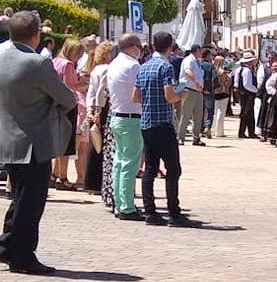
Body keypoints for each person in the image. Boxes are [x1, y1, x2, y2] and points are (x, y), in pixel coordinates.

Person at [0, 11, 77, 275]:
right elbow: (68, 98)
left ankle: (7, 247)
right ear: (36, 34)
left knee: (19, 198)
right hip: (34, 142)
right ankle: (22, 255)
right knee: (31, 202)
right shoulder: (37, 63)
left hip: (9, 138)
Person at [135, 31, 199, 227]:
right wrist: (182, 94)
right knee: (173, 169)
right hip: (162, 123)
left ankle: (150, 211)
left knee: (150, 169)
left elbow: (135, 97)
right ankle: (173, 211)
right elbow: (169, 96)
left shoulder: (143, 67)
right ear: (170, 47)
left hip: (146, 122)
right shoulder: (166, 66)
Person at [105, 34, 145, 219]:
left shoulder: (113, 64)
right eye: (139, 46)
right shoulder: (133, 66)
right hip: (131, 117)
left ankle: (119, 203)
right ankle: (127, 206)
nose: (140, 50)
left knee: (119, 163)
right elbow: (138, 93)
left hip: (117, 116)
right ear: (131, 46)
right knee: (130, 164)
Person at [51, 38, 86, 190]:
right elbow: (69, 86)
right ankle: (63, 177)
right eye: (77, 53)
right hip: (68, 106)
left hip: (54, 105)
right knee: (66, 144)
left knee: (58, 142)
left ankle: (54, 173)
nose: (78, 56)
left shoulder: (54, 61)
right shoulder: (68, 64)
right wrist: (84, 84)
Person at [83, 41, 115, 194]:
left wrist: (90, 110)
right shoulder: (108, 69)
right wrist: (98, 111)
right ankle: (100, 182)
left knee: (93, 144)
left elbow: (91, 92)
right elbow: (102, 91)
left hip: (94, 108)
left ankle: (90, 182)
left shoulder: (95, 69)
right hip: (103, 108)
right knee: (103, 146)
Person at [235, 51, 260, 138]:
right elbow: (247, 84)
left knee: (247, 113)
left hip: (242, 94)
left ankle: (248, 132)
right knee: (247, 113)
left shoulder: (239, 69)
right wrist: (256, 90)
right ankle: (244, 132)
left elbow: (236, 83)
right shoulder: (247, 71)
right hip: (248, 94)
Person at [211, 54, 233, 137]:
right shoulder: (223, 72)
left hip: (214, 93)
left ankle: (212, 130)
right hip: (223, 92)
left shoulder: (213, 71)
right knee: (221, 112)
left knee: (214, 112)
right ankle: (219, 131)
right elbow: (227, 83)